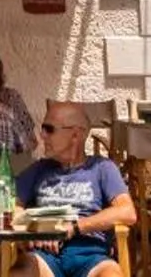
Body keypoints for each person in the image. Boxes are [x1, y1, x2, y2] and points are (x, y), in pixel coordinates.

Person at [12, 105, 134, 277]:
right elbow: (11, 206)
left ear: (75, 135)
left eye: (49, 129)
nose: (42, 135)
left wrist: (73, 227)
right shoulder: (39, 169)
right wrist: (34, 227)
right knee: (21, 272)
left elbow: (127, 212)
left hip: (91, 254)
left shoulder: (102, 168)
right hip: (45, 255)